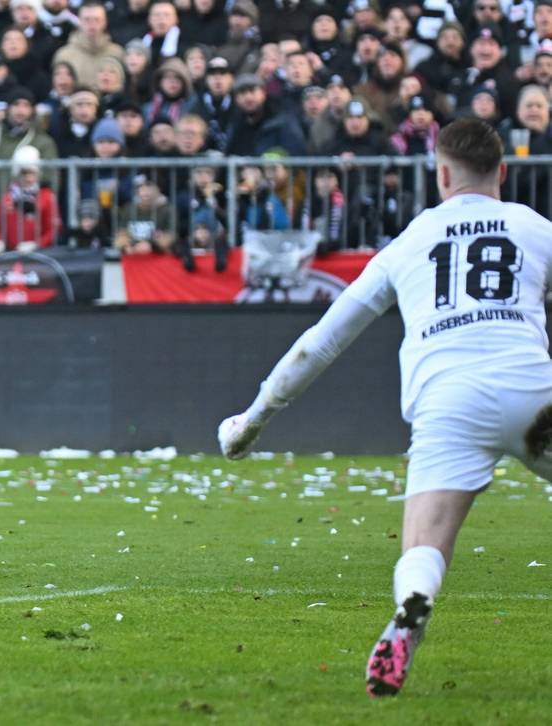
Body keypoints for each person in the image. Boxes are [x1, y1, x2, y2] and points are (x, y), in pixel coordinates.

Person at [217, 119, 552, 697]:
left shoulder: (410, 243)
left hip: (448, 403)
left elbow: (320, 342)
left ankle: (413, 605)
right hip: (532, 390)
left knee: (425, 544)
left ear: (441, 173)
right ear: (503, 171)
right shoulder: (534, 227)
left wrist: (254, 419)